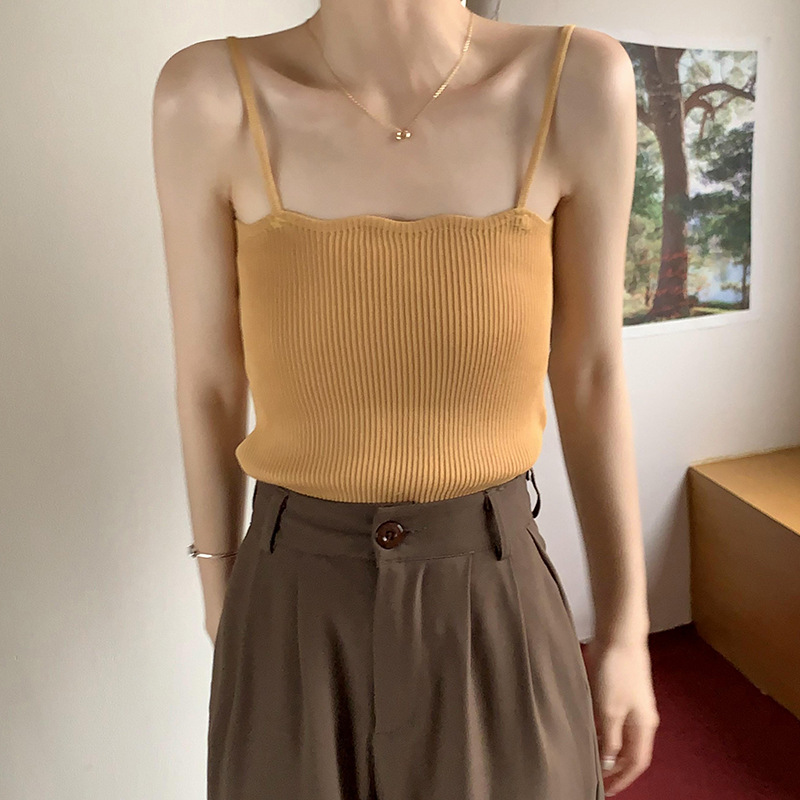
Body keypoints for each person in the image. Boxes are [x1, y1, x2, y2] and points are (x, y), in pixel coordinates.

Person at [152, 2, 659, 798]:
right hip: (291, 603)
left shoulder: (577, 80)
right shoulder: (209, 95)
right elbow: (211, 381)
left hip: (494, 598)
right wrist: (219, 591)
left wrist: (627, 629)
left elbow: (591, 372)